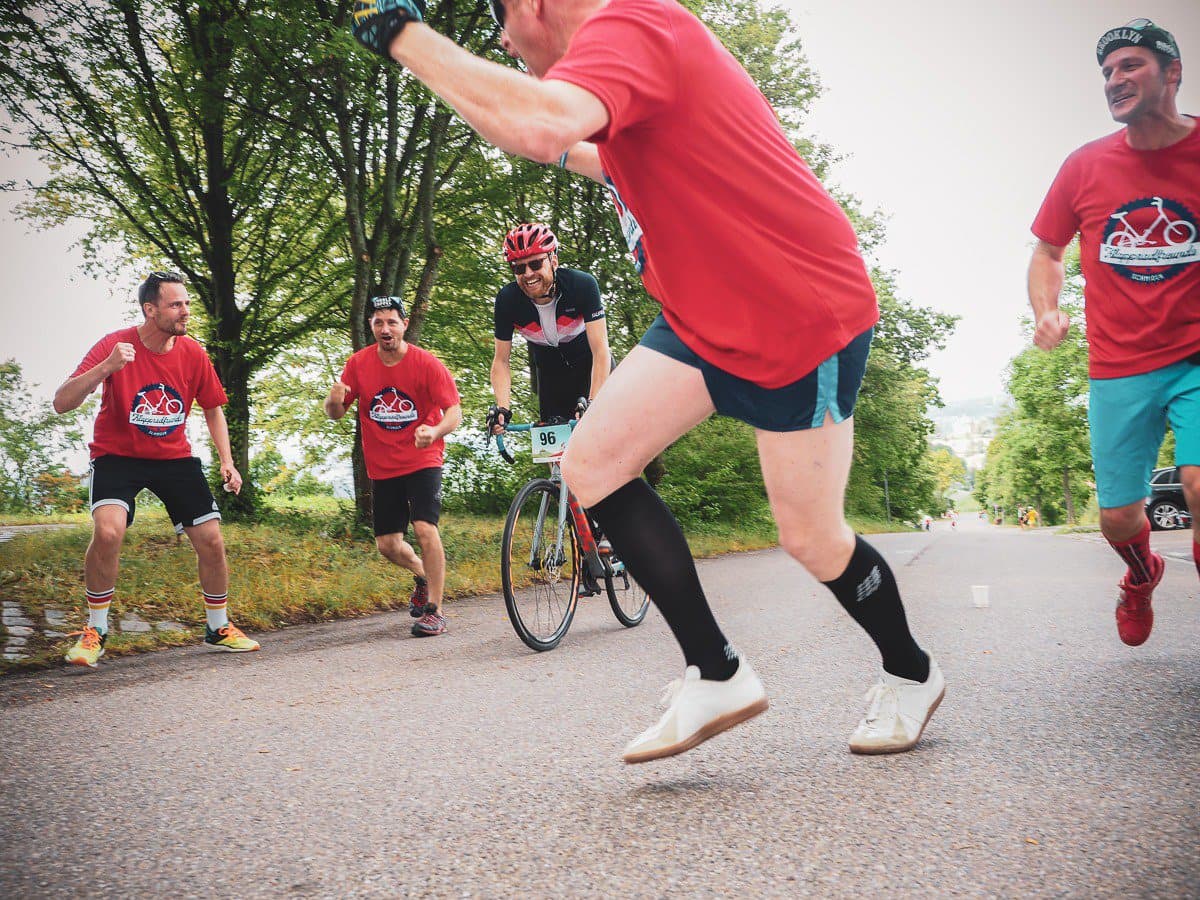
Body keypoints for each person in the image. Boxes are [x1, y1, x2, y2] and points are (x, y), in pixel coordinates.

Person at [350, 0, 943, 761]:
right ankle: (716, 671)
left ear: (533, 4)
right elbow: (562, 141)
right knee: (592, 464)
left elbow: (537, 124)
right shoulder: (615, 78)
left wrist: (401, 33)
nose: (501, 41)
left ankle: (911, 672)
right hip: (701, 318)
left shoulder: (634, 22)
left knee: (811, 537)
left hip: (794, 316)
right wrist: (519, 122)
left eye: (501, 20)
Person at [1029, 18, 1198, 647]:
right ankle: (1141, 574)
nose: (1114, 80)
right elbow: (1048, 252)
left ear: (1172, 73)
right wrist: (1045, 311)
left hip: (1196, 355)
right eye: (1107, 72)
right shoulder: (1086, 165)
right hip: (1120, 365)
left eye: (1131, 65)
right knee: (1118, 518)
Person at [52, 271, 260, 667]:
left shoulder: (193, 353)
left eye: (187, 303)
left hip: (173, 458)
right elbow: (62, 402)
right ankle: (96, 631)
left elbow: (213, 408)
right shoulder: (114, 345)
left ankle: (218, 628)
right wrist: (107, 368)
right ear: (151, 310)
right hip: (117, 456)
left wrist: (228, 461)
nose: (185, 311)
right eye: (176, 304)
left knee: (212, 540)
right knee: (108, 531)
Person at [325, 296, 463, 637]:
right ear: (371, 327)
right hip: (383, 466)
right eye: (378, 323)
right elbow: (336, 412)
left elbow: (454, 412)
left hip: (423, 458)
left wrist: (435, 432)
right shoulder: (358, 364)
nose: (385, 329)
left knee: (425, 528)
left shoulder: (426, 364)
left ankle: (435, 611)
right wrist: (332, 400)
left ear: (404, 325)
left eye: (392, 322)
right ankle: (422, 574)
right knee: (387, 545)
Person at [487, 222, 611, 431]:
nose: (528, 274)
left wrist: (593, 401)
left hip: (591, 369)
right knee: (555, 447)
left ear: (553, 261)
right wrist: (503, 408)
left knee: (608, 438)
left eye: (535, 264)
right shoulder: (507, 301)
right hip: (551, 379)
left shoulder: (582, 286)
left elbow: (600, 351)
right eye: (518, 268)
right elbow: (501, 361)